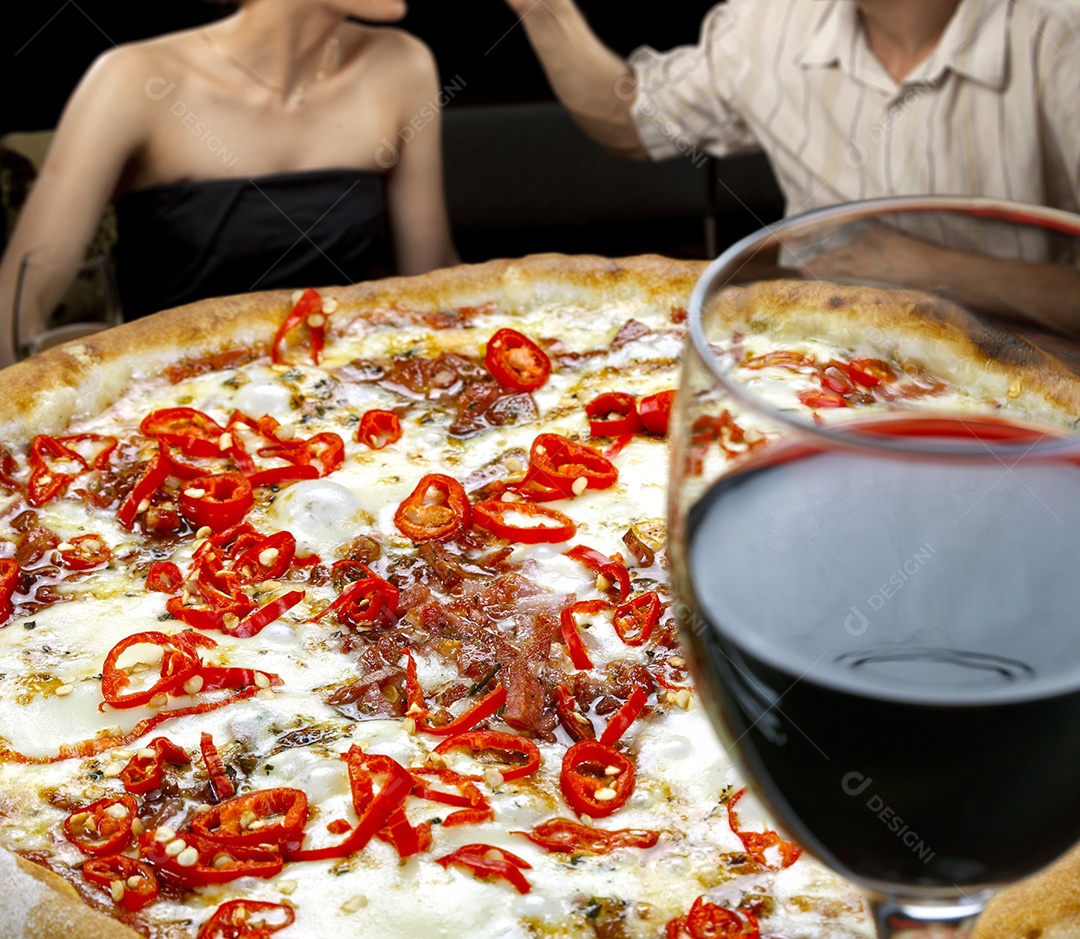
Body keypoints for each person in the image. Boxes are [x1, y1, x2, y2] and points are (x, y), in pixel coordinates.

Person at [504, 0, 1080, 334]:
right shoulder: (768, 20)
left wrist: (927, 267)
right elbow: (629, 119)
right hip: (819, 367)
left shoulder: (1060, 34)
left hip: (1032, 388)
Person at [0, 0, 459, 366]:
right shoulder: (132, 78)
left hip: (343, 396)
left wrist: (536, 19)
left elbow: (431, 282)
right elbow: (15, 310)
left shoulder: (404, 63)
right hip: (166, 410)